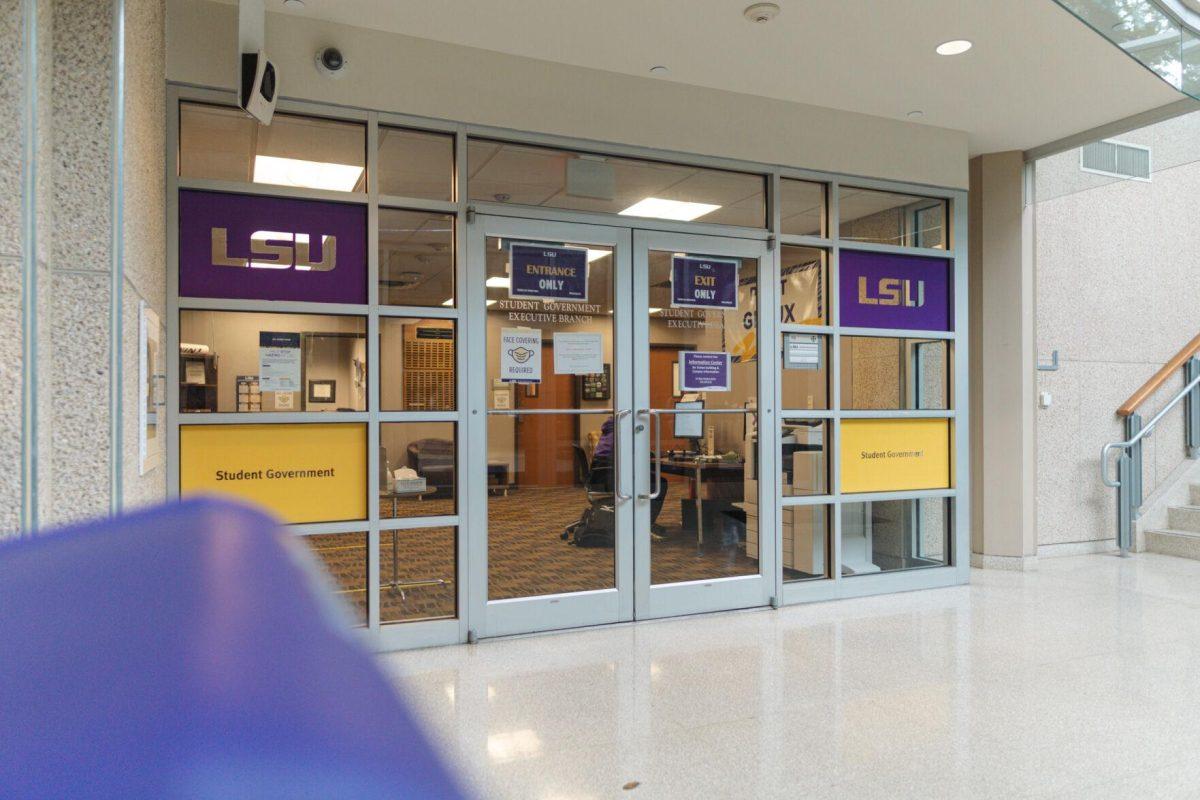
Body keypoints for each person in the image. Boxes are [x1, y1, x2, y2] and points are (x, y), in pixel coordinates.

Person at [587, 417, 669, 538]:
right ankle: (645, 524)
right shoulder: (622, 431)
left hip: (600, 478)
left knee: (650, 478)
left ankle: (642, 522)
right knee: (659, 483)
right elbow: (633, 453)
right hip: (612, 478)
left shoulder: (610, 429)